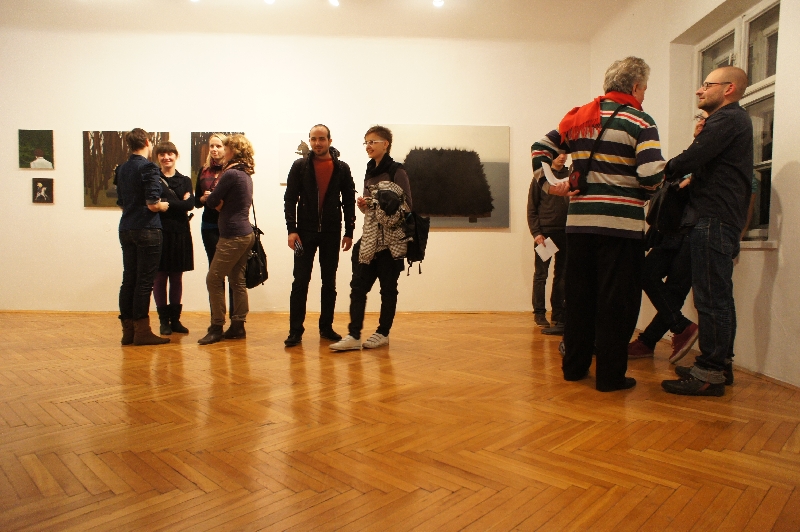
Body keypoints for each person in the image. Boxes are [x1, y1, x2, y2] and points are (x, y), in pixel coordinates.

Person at [531, 57, 665, 392]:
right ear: (635, 86)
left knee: (579, 298)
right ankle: (609, 377)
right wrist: (655, 185)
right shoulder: (640, 121)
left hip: (580, 226)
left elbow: (540, 148)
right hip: (621, 228)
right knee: (616, 303)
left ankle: (574, 368)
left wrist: (550, 184)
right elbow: (650, 176)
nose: (644, 95)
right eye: (644, 88)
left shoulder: (579, 117)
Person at [661, 66, 753, 397]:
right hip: (719, 218)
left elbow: (692, 158)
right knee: (716, 297)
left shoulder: (727, 118)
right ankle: (719, 365)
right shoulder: (731, 121)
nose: (700, 90)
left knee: (711, 299)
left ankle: (709, 374)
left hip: (713, 218)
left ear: (728, 89)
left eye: (706, 85)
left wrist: (665, 169)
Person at [627, 113, 709, 363]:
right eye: (699, 118)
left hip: (694, 231)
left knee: (674, 291)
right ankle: (679, 326)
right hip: (670, 232)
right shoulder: (691, 156)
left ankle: (648, 341)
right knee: (645, 274)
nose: (701, 123)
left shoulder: (715, 158)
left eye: (707, 120)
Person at [330, 126, 412, 351]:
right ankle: (354, 335)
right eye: (366, 142)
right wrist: (364, 205)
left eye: (373, 142)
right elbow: (373, 208)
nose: (368, 146)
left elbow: (406, 207)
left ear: (386, 144)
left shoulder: (397, 171)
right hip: (369, 241)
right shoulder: (370, 169)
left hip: (391, 243)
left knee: (388, 289)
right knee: (358, 288)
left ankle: (383, 333)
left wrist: (375, 204)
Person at [283, 124, 357, 347]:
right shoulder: (300, 166)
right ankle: (295, 331)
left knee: (329, 282)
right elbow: (290, 199)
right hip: (303, 234)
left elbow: (349, 201)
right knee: (300, 282)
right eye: (313, 139)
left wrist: (349, 232)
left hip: (331, 233)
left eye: (321, 139)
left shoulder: (341, 168)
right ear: (310, 141)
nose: (317, 143)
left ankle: (326, 328)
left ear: (329, 141)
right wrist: (291, 230)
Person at [197, 134, 255, 345]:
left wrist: (212, 198)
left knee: (213, 278)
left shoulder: (231, 174)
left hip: (232, 235)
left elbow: (212, 200)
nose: (222, 151)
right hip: (245, 233)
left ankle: (216, 326)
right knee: (237, 280)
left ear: (233, 150)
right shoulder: (245, 173)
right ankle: (238, 326)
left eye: (226, 147)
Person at [116, 128, 170, 346]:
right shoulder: (148, 167)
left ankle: (128, 331)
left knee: (129, 279)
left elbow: (121, 202)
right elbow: (152, 203)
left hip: (126, 228)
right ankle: (142, 331)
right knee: (144, 282)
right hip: (147, 229)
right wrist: (163, 206)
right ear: (148, 142)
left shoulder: (122, 168)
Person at [152, 141, 194, 336]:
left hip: (180, 232)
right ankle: (164, 322)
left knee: (177, 277)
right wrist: (179, 202)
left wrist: (166, 203)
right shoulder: (154, 179)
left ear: (176, 156)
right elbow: (153, 203)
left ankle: (175, 320)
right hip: (160, 232)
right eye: (162, 154)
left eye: (170, 153)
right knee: (160, 277)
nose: (166, 157)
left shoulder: (185, 180)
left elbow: (190, 205)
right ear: (157, 157)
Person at [527, 153, 569, 333]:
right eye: (558, 154)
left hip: (566, 233)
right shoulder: (540, 177)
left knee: (562, 276)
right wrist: (537, 233)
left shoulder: (571, 176)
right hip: (545, 235)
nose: (562, 157)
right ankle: (539, 313)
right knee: (541, 275)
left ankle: (558, 314)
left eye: (565, 153)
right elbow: (532, 208)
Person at [195, 134, 234, 317]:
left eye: (218, 146)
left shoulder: (231, 170)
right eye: (212, 146)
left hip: (229, 225)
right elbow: (196, 201)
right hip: (209, 225)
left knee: (233, 272)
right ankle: (217, 317)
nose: (214, 149)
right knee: (215, 272)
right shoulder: (203, 171)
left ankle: (235, 319)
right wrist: (204, 199)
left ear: (225, 148)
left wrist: (218, 198)